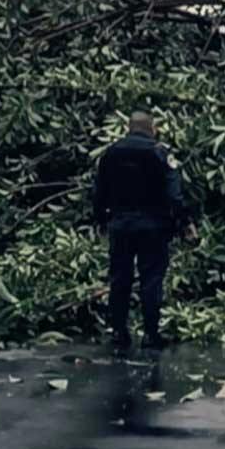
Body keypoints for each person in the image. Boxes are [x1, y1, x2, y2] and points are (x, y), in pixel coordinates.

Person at [92, 111, 195, 352]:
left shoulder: (111, 153)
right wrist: (185, 222)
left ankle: (119, 331)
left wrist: (99, 221)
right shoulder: (160, 153)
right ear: (152, 128)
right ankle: (150, 334)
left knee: (120, 278)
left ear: (129, 128)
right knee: (152, 279)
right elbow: (174, 195)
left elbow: (99, 191)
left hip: (121, 225)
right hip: (153, 226)